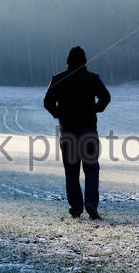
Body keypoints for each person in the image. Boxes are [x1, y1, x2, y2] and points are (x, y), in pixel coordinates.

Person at [44, 46, 111, 220]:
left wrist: (60, 115)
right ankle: (91, 203)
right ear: (85, 61)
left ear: (68, 61)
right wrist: (95, 110)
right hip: (88, 131)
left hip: (68, 133)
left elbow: (47, 102)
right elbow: (106, 97)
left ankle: (76, 208)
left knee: (71, 172)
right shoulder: (92, 78)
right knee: (91, 170)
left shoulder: (57, 79)